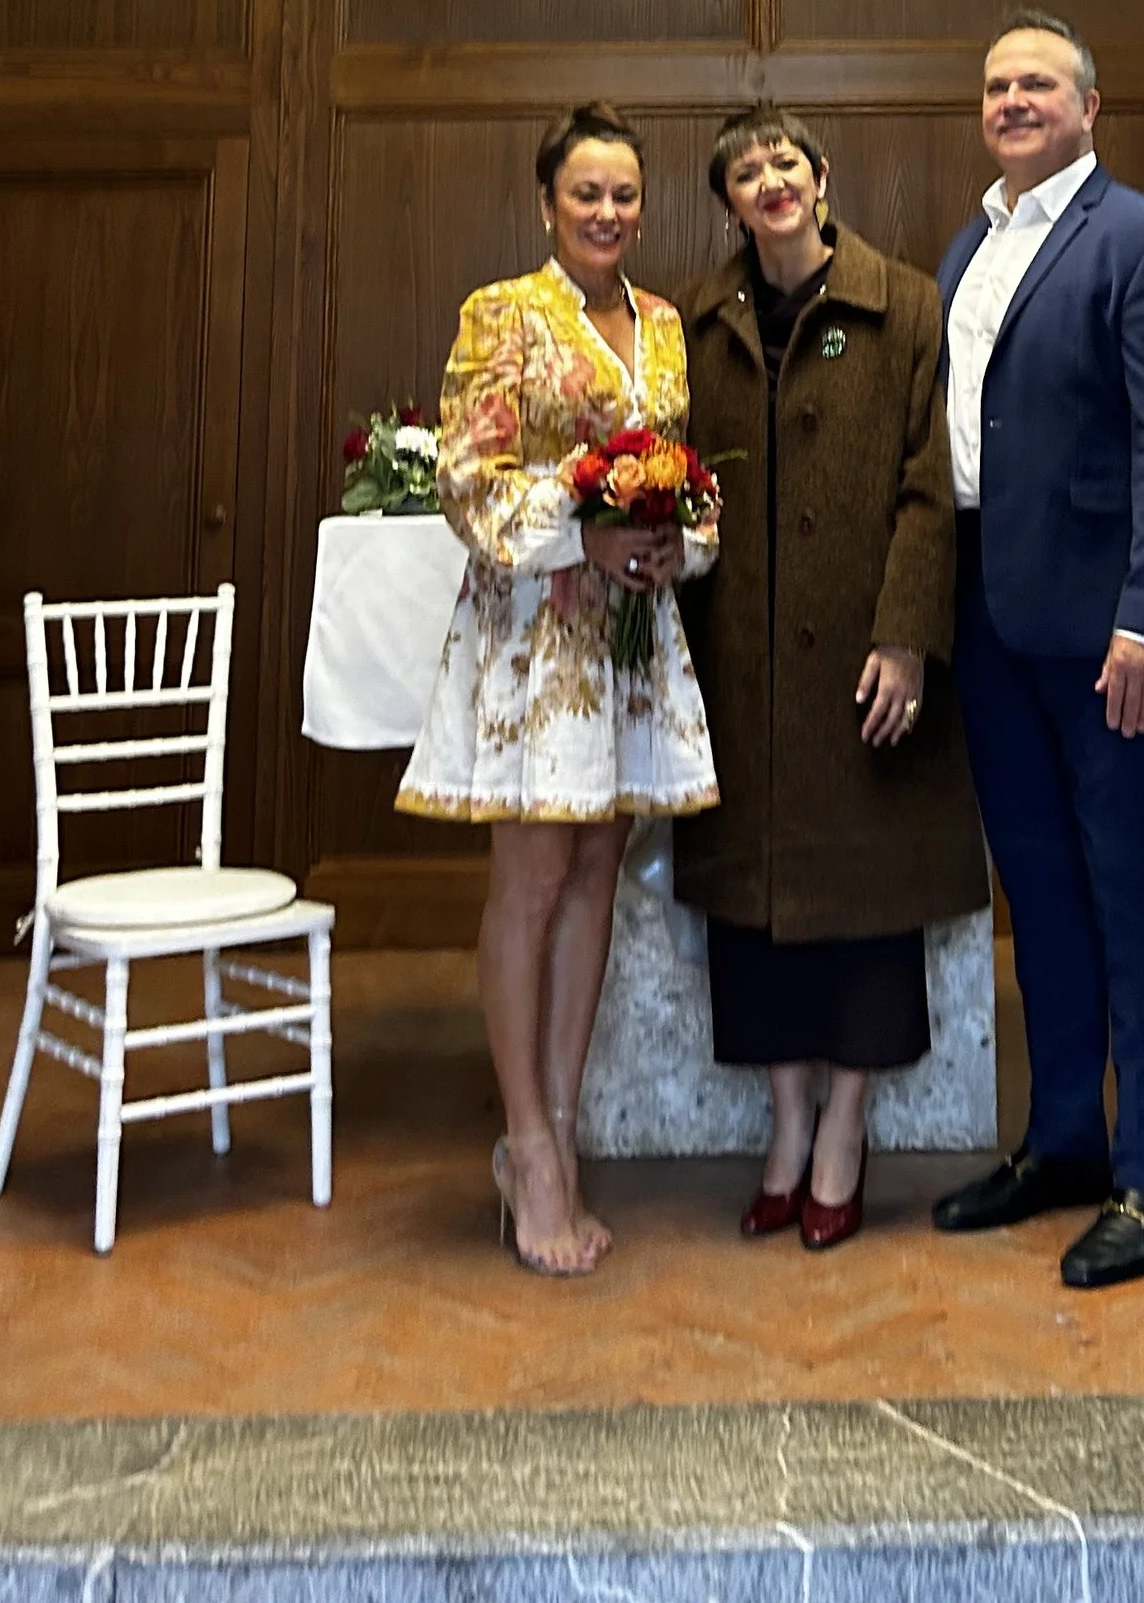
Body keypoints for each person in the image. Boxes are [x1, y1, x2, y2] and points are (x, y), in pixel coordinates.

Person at [398, 103, 718, 1276]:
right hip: (536, 633)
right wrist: (574, 539)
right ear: (547, 204)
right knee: (532, 877)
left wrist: (681, 543)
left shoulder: (668, 327)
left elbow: (689, 481)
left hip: (632, 633)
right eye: (586, 192)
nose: (607, 212)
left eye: (625, 194)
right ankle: (525, 1145)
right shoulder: (504, 312)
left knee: (596, 872)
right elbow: (466, 477)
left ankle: (563, 1130)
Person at [931, 10, 1144, 1288]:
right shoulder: (968, 247)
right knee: (1038, 889)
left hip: (1109, 634)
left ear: (1089, 106)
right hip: (990, 624)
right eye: (995, 85)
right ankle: (1062, 1140)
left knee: (1132, 892)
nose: (1012, 100)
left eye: (1036, 82)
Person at [676, 106, 984, 1250]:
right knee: (751, 911)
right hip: (742, 669)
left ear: (822, 178)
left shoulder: (904, 303)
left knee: (866, 905)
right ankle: (785, 1127)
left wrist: (905, 635)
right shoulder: (699, 319)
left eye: (785, 163)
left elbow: (927, 486)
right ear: (727, 203)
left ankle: (844, 1132)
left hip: (865, 659)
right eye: (746, 170)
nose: (770, 181)